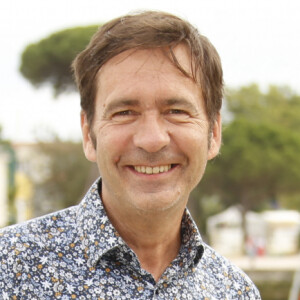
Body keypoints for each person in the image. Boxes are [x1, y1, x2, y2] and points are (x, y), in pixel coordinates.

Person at [0, 11, 261, 299]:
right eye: (124, 112)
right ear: (89, 134)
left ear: (213, 133)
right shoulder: (9, 269)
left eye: (176, 111)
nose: (152, 140)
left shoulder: (235, 291)